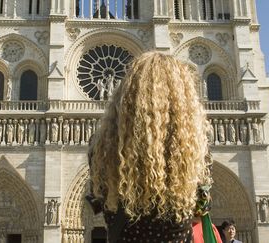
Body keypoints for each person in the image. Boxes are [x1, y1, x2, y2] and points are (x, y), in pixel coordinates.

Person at [88, 52, 210, 242]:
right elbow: (201, 208)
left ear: (127, 94)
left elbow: (98, 200)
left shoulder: (101, 150)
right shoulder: (193, 151)